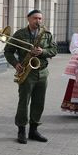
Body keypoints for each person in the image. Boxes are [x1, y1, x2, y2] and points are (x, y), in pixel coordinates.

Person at [5, 10, 57, 144]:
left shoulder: (46, 34)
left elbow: (54, 50)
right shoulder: (19, 34)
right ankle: (21, 130)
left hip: (42, 72)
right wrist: (15, 64)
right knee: (24, 102)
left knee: (39, 102)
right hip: (27, 72)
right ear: (28, 18)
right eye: (35, 18)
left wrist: (43, 51)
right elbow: (8, 51)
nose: (38, 21)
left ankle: (34, 130)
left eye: (40, 18)